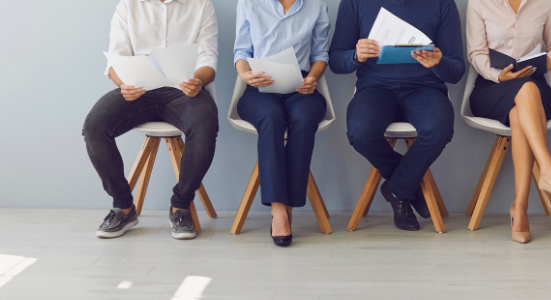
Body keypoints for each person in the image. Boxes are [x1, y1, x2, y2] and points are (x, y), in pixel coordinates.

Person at [83, 0, 219, 240]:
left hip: (184, 89)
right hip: (138, 89)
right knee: (94, 125)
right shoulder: (128, 5)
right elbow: (114, 59)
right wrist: (123, 85)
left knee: (205, 124)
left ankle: (181, 206)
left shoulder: (201, 5)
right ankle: (123, 207)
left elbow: (208, 56)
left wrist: (198, 80)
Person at [329, 0, 465, 231]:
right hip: (375, 87)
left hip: (425, 88)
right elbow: (335, 61)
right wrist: (355, 56)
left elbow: (456, 70)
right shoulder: (355, 2)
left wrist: (439, 62)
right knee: (360, 131)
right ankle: (409, 186)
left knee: (438, 128)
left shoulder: (442, 4)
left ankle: (397, 189)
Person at [466, 0, 551, 244]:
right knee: (522, 97)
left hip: (536, 86)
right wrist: (498, 74)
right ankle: (548, 170)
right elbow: (475, 53)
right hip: (492, 86)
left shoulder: (546, 2)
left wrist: (549, 61)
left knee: (520, 109)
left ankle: (519, 208)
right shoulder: (478, 2)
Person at [233, 0, 330, 247]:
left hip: (301, 89)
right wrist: (245, 75)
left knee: (304, 117)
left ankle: (288, 206)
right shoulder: (248, 3)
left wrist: (313, 78)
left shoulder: (317, 5)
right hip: (259, 90)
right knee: (271, 118)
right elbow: (242, 52)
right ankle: (279, 210)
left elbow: (320, 54)